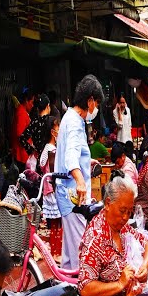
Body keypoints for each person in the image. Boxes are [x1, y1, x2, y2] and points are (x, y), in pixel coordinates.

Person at [78, 177, 148, 296]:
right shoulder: (95, 237)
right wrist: (119, 284)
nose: (125, 217)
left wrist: (145, 266)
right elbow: (85, 288)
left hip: (129, 294)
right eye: (122, 210)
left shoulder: (122, 228)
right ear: (108, 203)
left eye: (129, 212)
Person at [54, 75, 103, 272]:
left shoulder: (71, 118)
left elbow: (72, 152)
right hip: (73, 196)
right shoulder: (74, 122)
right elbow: (70, 157)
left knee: (70, 253)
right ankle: (80, 288)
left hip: (67, 194)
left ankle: (66, 284)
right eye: (96, 103)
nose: (96, 108)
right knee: (82, 254)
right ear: (90, 100)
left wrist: (86, 162)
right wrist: (80, 181)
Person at [19, 94, 53, 169]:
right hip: (50, 160)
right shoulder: (52, 121)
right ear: (48, 106)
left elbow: (22, 138)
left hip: (38, 161)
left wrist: (31, 151)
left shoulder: (34, 122)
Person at [10, 88, 33, 166]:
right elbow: (20, 134)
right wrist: (29, 148)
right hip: (22, 154)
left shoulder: (22, 111)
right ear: (26, 101)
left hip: (22, 153)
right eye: (31, 102)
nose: (32, 105)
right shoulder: (21, 113)